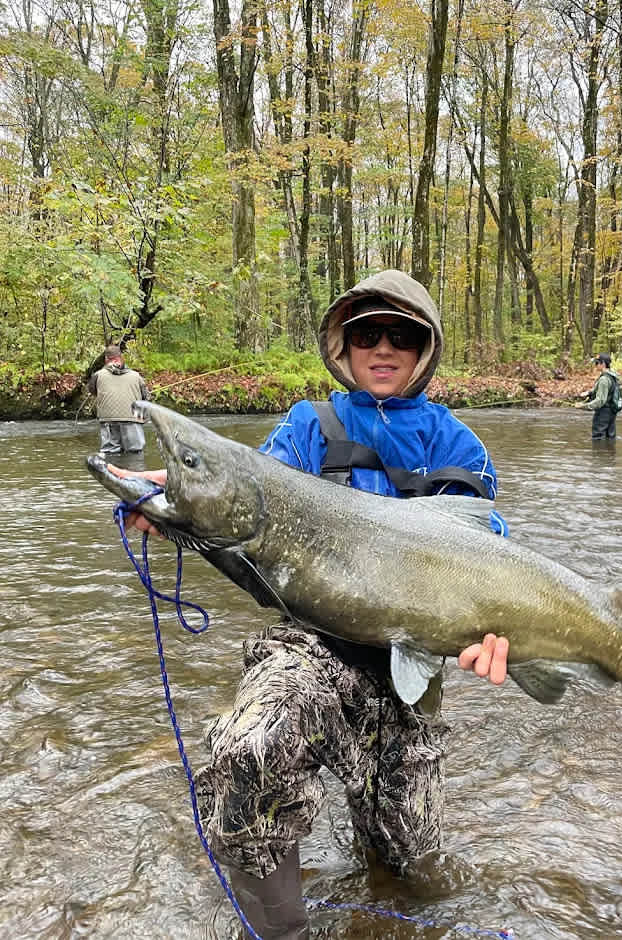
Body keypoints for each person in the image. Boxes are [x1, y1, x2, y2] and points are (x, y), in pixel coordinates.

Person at [116, 270, 510, 940]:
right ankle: (280, 932)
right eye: (365, 333)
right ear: (342, 345)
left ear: (425, 349)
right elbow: (252, 506)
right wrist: (178, 507)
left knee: (414, 872)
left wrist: (492, 633)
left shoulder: (457, 444)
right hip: (311, 647)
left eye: (401, 335)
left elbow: (486, 546)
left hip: (411, 673)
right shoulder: (307, 425)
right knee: (250, 750)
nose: (382, 348)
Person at [88, 345, 150, 455]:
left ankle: (111, 465)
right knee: (135, 453)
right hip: (133, 418)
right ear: (121, 357)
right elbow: (146, 397)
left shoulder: (97, 375)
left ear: (106, 359)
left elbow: (93, 391)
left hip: (108, 418)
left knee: (110, 453)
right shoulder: (136, 376)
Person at [578, 352, 622, 440]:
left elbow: (600, 401)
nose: (595, 365)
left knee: (598, 438)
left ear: (603, 364)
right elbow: (607, 390)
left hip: (602, 413)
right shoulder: (612, 376)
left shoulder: (604, 379)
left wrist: (583, 406)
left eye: (597, 363)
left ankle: (599, 450)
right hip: (611, 412)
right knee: (610, 438)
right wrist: (589, 393)